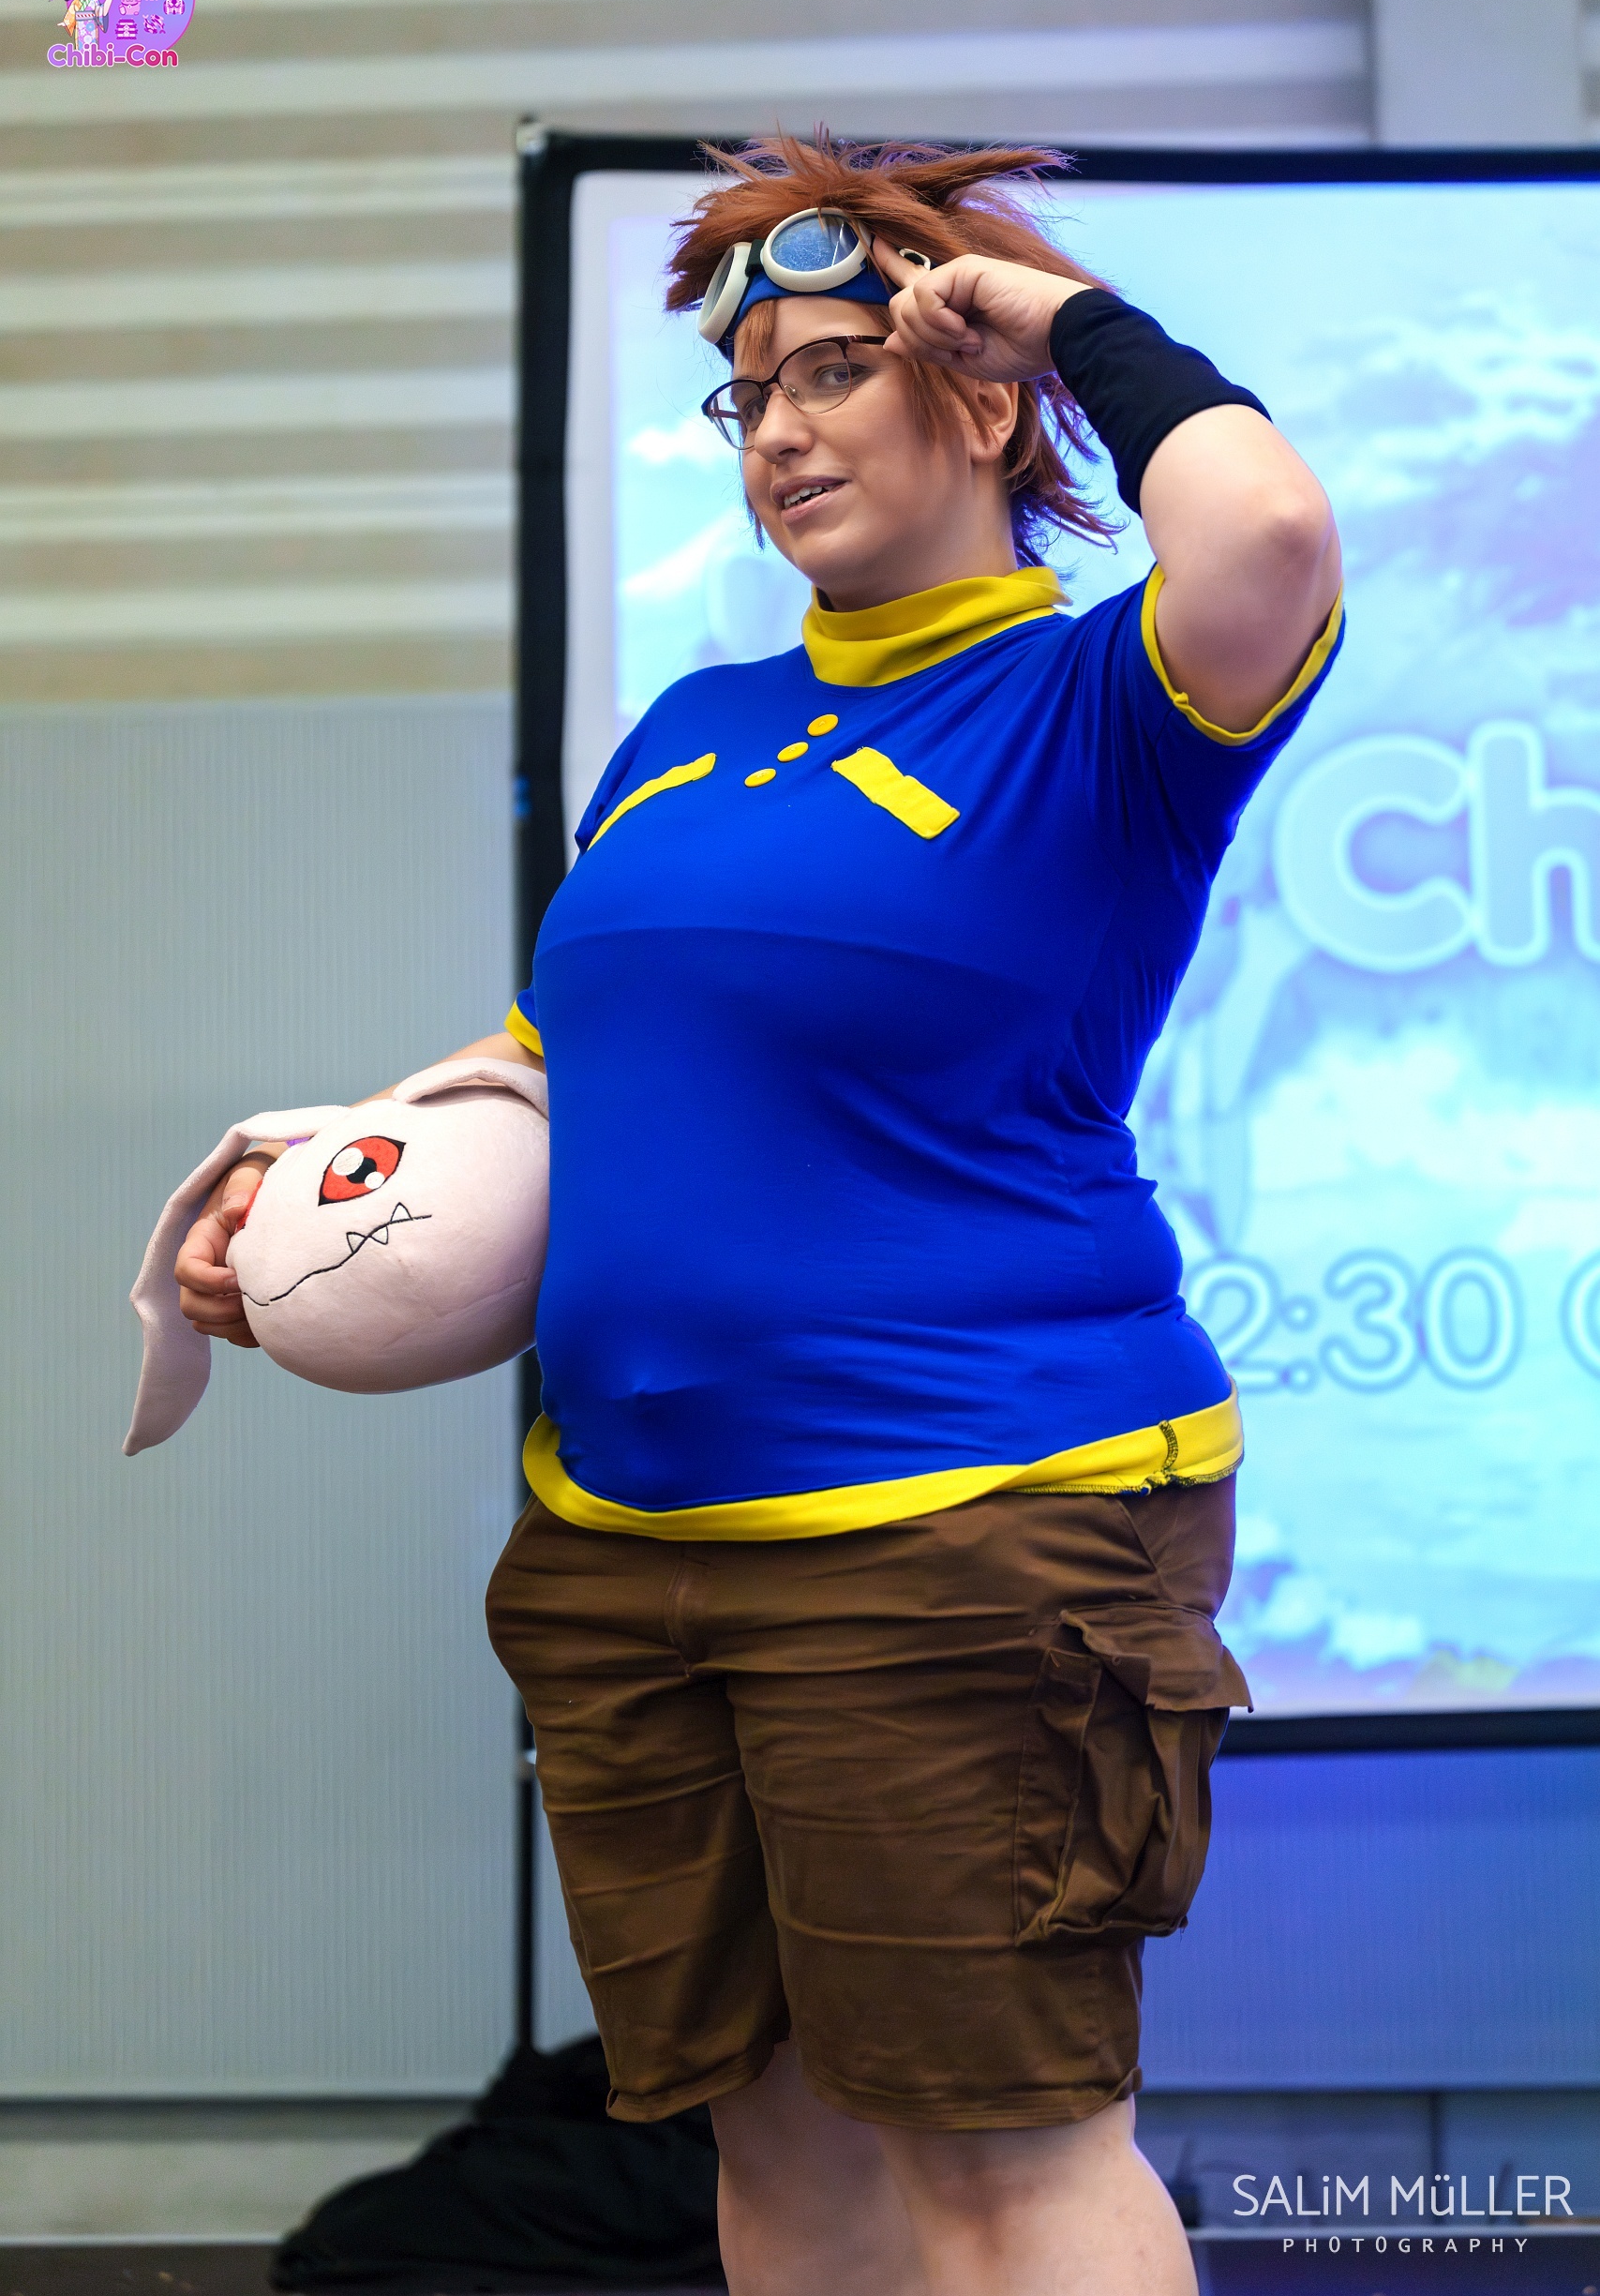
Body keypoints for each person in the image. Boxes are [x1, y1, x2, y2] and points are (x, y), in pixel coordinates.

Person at [176, 137, 1342, 2296]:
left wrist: (1050, 318)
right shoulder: (688, 730)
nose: (775, 433)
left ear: (974, 394)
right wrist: (306, 1207)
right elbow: (559, 1066)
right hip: (624, 1544)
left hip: (969, 1522)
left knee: (1004, 2159)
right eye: (745, 397)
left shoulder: (1101, 703)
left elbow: (1265, 522)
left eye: (830, 371)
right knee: (775, 2154)